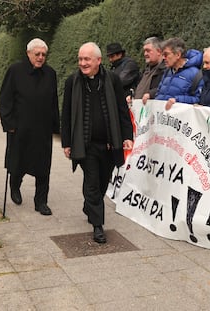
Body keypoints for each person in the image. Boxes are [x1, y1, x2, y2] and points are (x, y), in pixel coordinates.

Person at [61, 42, 133, 244]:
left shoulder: (112, 80)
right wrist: (66, 142)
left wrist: (127, 136)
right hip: (86, 144)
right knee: (92, 181)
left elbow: (122, 110)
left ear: (98, 61)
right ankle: (98, 225)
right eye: (80, 59)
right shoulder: (72, 82)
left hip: (110, 143)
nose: (82, 63)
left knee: (103, 181)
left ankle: (90, 206)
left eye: (87, 59)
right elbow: (66, 114)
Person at [0, 38, 59, 216]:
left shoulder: (50, 73)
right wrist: (9, 124)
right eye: (37, 54)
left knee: (43, 167)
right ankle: (15, 186)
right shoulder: (15, 71)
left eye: (43, 55)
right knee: (18, 163)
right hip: (19, 128)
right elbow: (5, 98)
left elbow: (53, 101)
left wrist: (55, 126)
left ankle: (41, 201)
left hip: (42, 130)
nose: (40, 57)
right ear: (28, 54)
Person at [155, 37, 204, 110]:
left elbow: (198, 99)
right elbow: (159, 93)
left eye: (166, 54)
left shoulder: (195, 74)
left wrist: (177, 100)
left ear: (178, 55)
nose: (164, 58)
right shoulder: (167, 72)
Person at [128, 36, 165, 105]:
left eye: (148, 51)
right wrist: (132, 96)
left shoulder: (165, 70)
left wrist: (151, 94)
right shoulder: (145, 70)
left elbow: (167, 89)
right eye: (144, 51)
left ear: (159, 51)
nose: (145, 54)